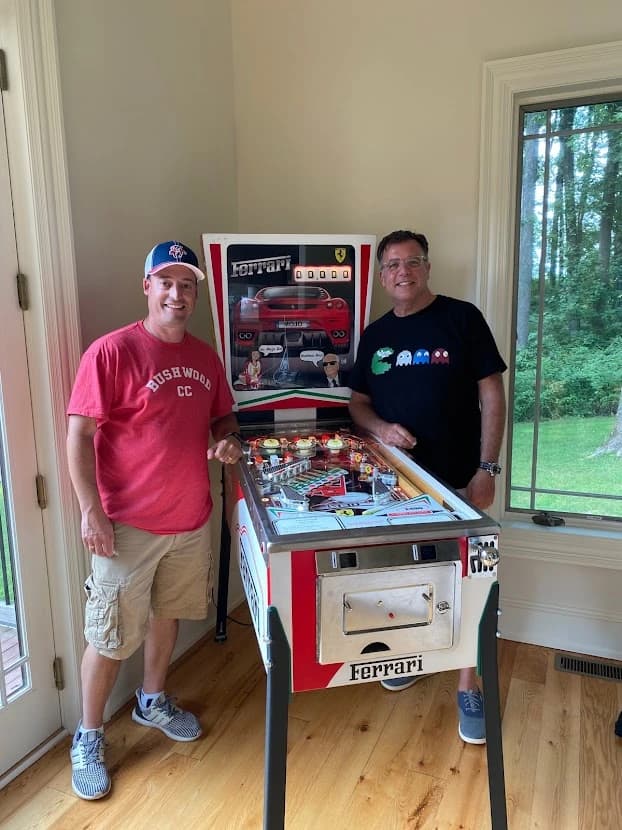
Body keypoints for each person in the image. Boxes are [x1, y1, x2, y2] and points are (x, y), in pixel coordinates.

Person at [66, 240, 243, 800]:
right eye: (166, 282)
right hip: (126, 527)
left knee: (169, 616)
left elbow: (223, 417)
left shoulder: (205, 355)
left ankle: (152, 700)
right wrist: (90, 509)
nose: (177, 293)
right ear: (147, 287)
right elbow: (77, 435)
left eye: (186, 284)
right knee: (110, 635)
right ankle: (89, 734)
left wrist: (225, 442)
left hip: (190, 520)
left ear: (196, 294)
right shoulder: (111, 353)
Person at [348, 229, 506, 745]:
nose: (402, 272)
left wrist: (488, 470)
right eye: (392, 265)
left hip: (461, 481)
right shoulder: (374, 336)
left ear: (427, 267)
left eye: (411, 262)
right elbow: (357, 404)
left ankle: (469, 684)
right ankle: (412, 655)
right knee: (406, 573)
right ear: (382, 275)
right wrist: (382, 429)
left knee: (469, 579)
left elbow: (493, 394)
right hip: (396, 485)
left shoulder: (463, 319)